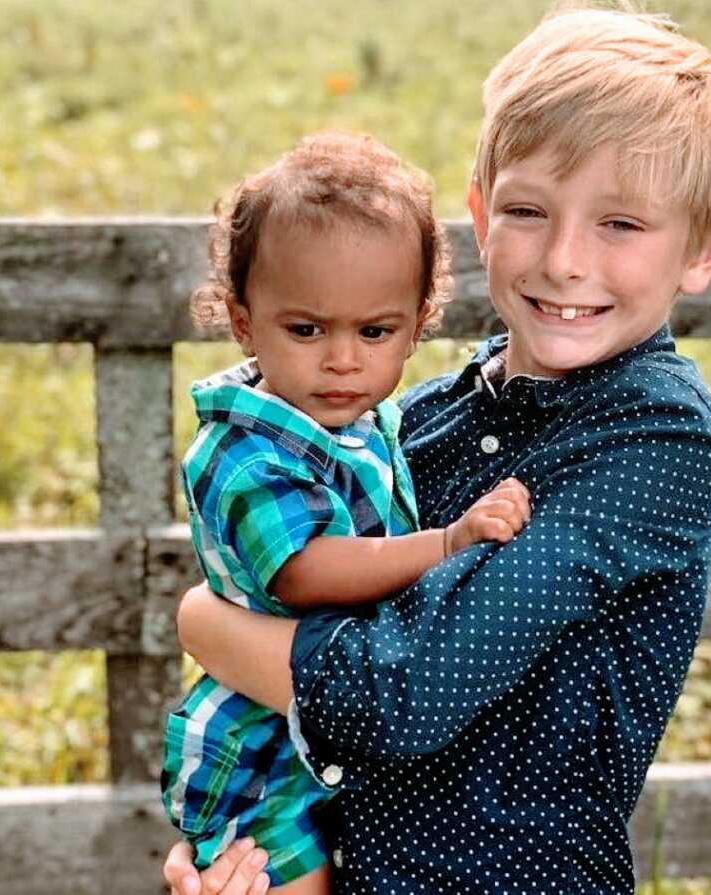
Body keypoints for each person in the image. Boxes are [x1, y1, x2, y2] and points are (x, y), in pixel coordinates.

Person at [165, 4, 711, 892]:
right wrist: (237, 854)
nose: (562, 260)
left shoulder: (654, 436)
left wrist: (204, 623)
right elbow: (308, 602)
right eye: (527, 209)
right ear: (476, 214)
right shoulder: (422, 416)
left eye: (620, 224)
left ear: (704, 247)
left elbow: (402, 692)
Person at [161, 131, 531, 895]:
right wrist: (447, 542)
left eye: (374, 331)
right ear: (242, 319)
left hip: (329, 724)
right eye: (306, 329)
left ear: (418, 319)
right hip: (262, 747)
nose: (342, 359)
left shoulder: (365, 421)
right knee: (280, 875)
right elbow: (307, 569)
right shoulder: (246, 450)